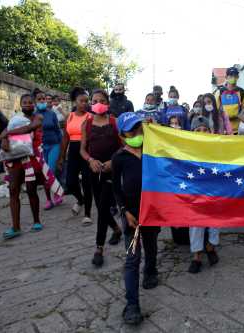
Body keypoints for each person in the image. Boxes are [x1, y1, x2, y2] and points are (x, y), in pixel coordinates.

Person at [112, 112, 160, 325]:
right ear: (122, 135)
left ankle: (151, 270)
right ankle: (132, 305)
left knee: (151, 244)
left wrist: (155, 126)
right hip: (132, 215)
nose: (137, 132)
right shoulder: (119, 158)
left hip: (153, 210)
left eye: (138, 128)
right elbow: (116, 188)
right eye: (131, 130)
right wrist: (125, 211)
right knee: (132, 258)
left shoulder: (153, 150)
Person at [0, 93, 62, 239]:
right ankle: (15, 227)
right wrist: (4, 140)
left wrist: (7, 133)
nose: (27, 104)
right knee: (13, 190)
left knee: (31, 190)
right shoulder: (15, 119)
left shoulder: (38, 117)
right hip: (15, 158)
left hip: (31, 158)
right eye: (24, 102)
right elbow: (1, 135)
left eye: (29, 102)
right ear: (20, 105)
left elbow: (28, 129)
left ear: (34, 104)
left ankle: (36, 221)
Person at [80, 89, 123, 267]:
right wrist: (90, 160)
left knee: (104, 206)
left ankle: (99, 248)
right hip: (93, 170)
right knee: (101, 207)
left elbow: (124, 146)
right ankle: (116, 228)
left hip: (111, 170)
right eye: (94, 100)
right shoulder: (86, 124)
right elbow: (82, 149)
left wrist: (113, 162)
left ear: (107, 103)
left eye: (102, 100)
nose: (98, 103)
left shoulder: (115, 122)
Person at [187, 116, 220, 274]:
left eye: (205, 130)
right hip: (195, 191)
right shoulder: (186, 149)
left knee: (214, 220)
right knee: (195, 223)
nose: (202, 132)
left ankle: (211, 246)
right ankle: (196, 255)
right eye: (198, 130)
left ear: (210, 131)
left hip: (214, 190)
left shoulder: (217, 147)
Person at [57, 87, 93, 225]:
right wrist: (61, 157)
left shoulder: (90, 117)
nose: (85, 103)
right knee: (70, 182)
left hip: (86, 150)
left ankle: (88, 214)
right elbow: (65, 138)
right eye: (81, 101)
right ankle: (81, 200)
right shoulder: (70, 116)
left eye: (86, 101)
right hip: (73, 150)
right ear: (74, 102)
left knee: (86, 182)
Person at [33, 88, 63, 209]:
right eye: (39, 99)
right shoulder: (33, 115)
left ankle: (57, 194)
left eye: (43, 99)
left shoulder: (52, 114)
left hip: (54, 145)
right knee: (44, 174)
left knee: (50, 170)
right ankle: (48, 199)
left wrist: (62, 148)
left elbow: (58, 130)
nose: (42, 101)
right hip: (40, 147)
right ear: (35, 101)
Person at [216, 67, 244, 133]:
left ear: (238, 77)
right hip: (224, 130)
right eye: (231, 75)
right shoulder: (219, 92)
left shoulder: (242, 92)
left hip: (238, 130)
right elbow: (216, 110)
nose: (233, 78)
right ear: (226, 77)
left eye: (235, 76)